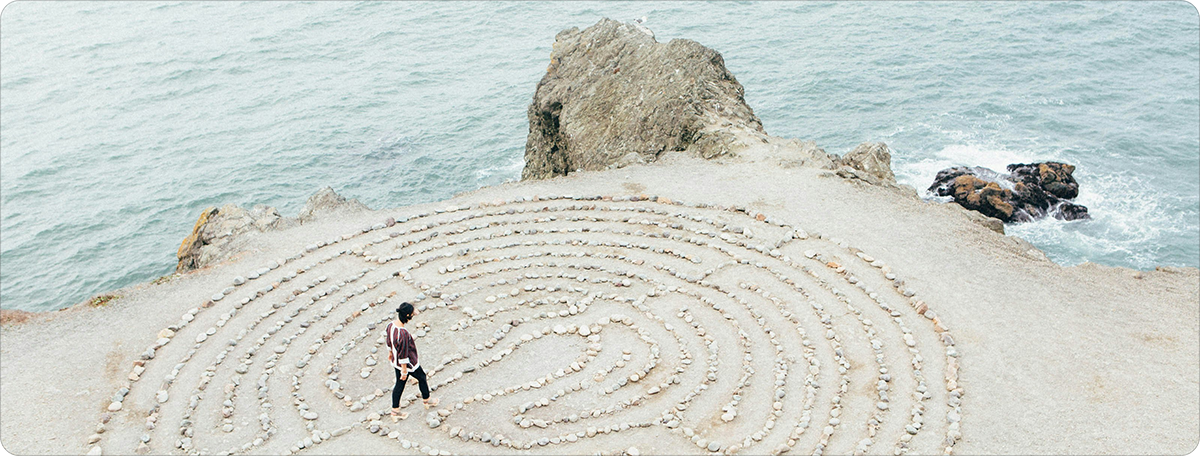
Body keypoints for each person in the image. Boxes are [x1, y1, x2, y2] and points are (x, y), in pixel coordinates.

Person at [385, 302, 437, 421]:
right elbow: (403, 352)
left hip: (396, 361)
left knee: (399, 385)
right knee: (422, 377)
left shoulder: (390, 325)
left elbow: (389, 340)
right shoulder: (403, 334)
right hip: (408, 364)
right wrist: (404, 369)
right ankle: (427, 400)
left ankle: (395, 410)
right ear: (408, 315)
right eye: (412, 314)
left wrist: (390, 352)